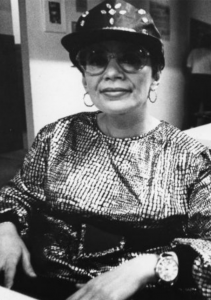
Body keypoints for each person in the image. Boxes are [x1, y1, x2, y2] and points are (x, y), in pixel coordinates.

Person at [0, 1, 211, 299]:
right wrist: (5, 227)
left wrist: (151, 265)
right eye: (96, 59)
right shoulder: (56, 137)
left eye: (131, 58)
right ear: (84, 75)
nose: (111, 73)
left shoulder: (190, 157)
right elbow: (17, 194)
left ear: (157, 72)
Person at [186, 33, 211, 127]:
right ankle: (206, 127)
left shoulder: (194, 52)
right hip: (208, 80)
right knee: (208, 106)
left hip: (195, 79)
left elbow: (188, 67)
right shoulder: (210, 53)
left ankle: (191, 127)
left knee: (193, 105)